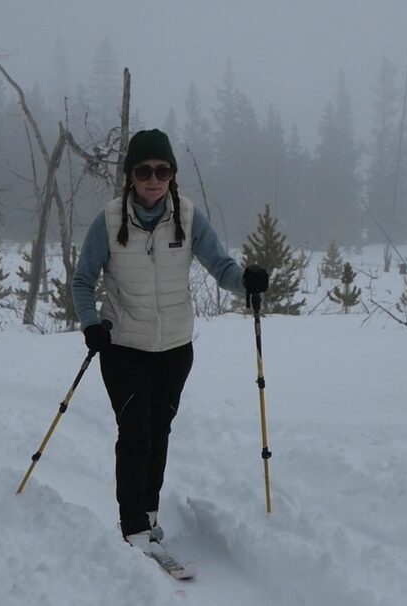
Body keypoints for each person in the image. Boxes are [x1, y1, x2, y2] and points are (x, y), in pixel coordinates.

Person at [71, 129, 269, 555]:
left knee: (159, 428)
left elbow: (220, 266)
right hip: (122, 343)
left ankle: (150, 511)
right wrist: (91, 324)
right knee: (134, 429)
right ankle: (134, 524)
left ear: (172, 175)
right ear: (131, 175)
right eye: (144, 171)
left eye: (162, 170)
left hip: (176, 346)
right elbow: (83, 280)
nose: (153, 179)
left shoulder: (188, 216)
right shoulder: (108, 221)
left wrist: (246, 281)